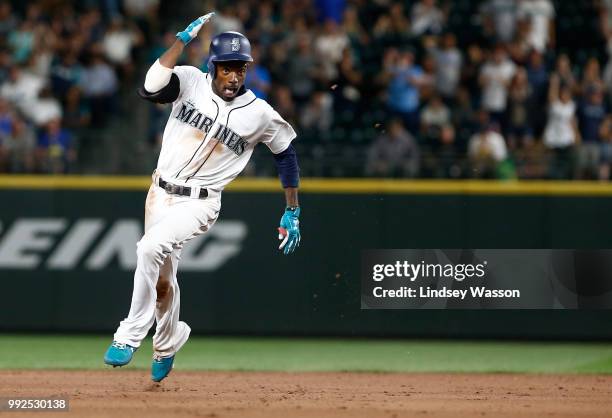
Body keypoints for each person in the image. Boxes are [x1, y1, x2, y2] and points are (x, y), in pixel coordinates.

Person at [103, 14, 301, 382]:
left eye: (240, 68)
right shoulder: (192, 81)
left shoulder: (259, 113)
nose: (234, 76)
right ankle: (167, 342)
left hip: (200, 202)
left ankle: (129, 334)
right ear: (213, 67)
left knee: (148, 248)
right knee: (163, 280)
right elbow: (149, 86)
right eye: (227, 68)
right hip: (159, 194)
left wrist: (293, 210)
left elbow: (286, 154)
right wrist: (179, 43)